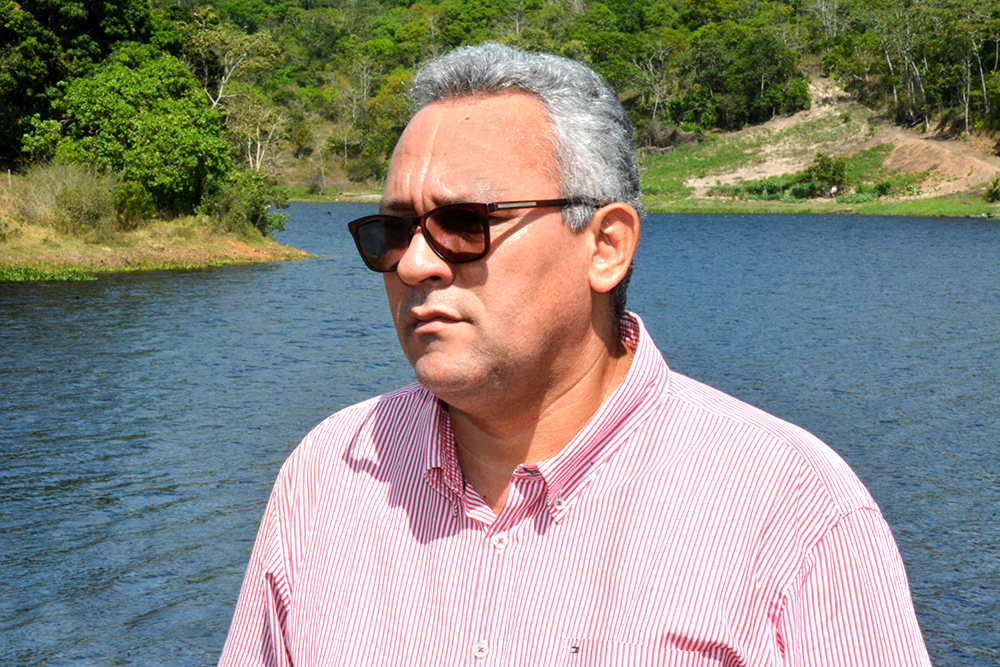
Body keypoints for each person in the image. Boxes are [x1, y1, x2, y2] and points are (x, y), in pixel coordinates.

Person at [219, 43, 931, 666]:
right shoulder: (328, 477)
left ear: (606, 246)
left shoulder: (791, 509)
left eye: (464, 223)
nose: (414, 264)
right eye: (394, 231)